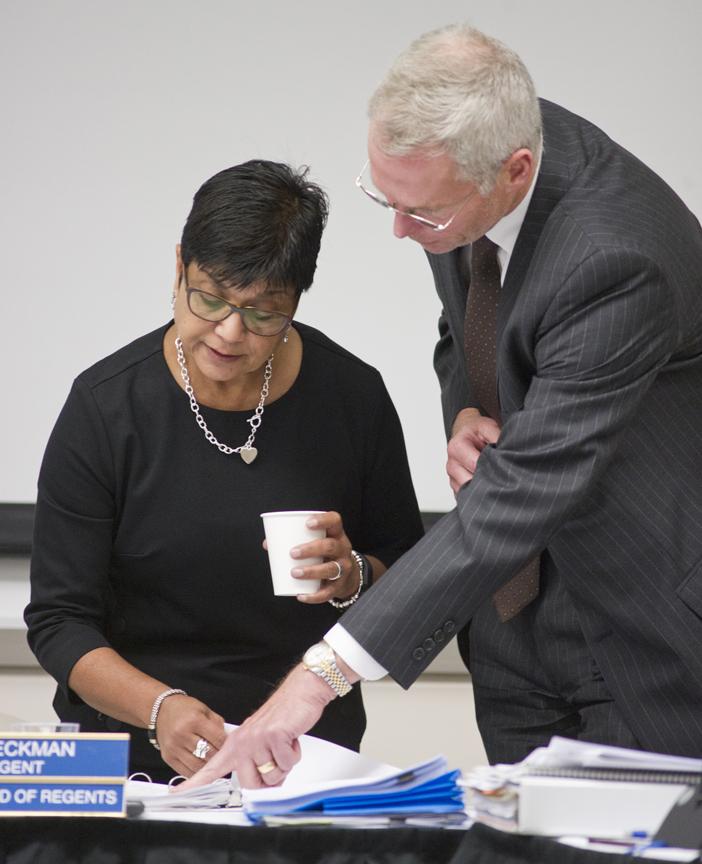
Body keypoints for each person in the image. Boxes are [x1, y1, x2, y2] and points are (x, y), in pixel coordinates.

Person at [179, 24, 702, 790]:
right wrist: (467, 411)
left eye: (419, 214)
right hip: (510, 618)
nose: (399, 230)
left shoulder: (617, 257)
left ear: (515, 171)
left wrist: (317, 676)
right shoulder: (470, 158)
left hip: (634, 622)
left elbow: (524, 489)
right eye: (383, 197)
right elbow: (466, 329)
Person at [25, 160, 424, 782]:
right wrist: (159, 710)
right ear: (179, 264)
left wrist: (350, 575)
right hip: (133, 761)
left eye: (265, 312)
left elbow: (409, 570)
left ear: (297, 298)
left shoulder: (352, 396)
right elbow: (58, 621)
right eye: (209, 297)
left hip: (302, 756)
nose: (230, 332)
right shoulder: (106, 408)